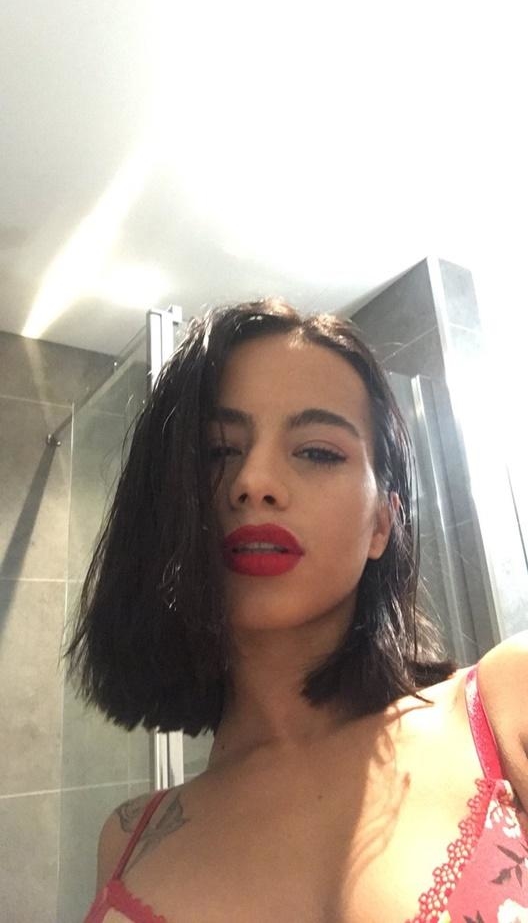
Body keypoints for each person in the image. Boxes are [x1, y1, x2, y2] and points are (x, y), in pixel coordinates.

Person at [65, 298, 528, 923]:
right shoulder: (126, 840)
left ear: (381, 524)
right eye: (217, 452)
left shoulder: (508, 706)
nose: (253, 481)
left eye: (317, 452)